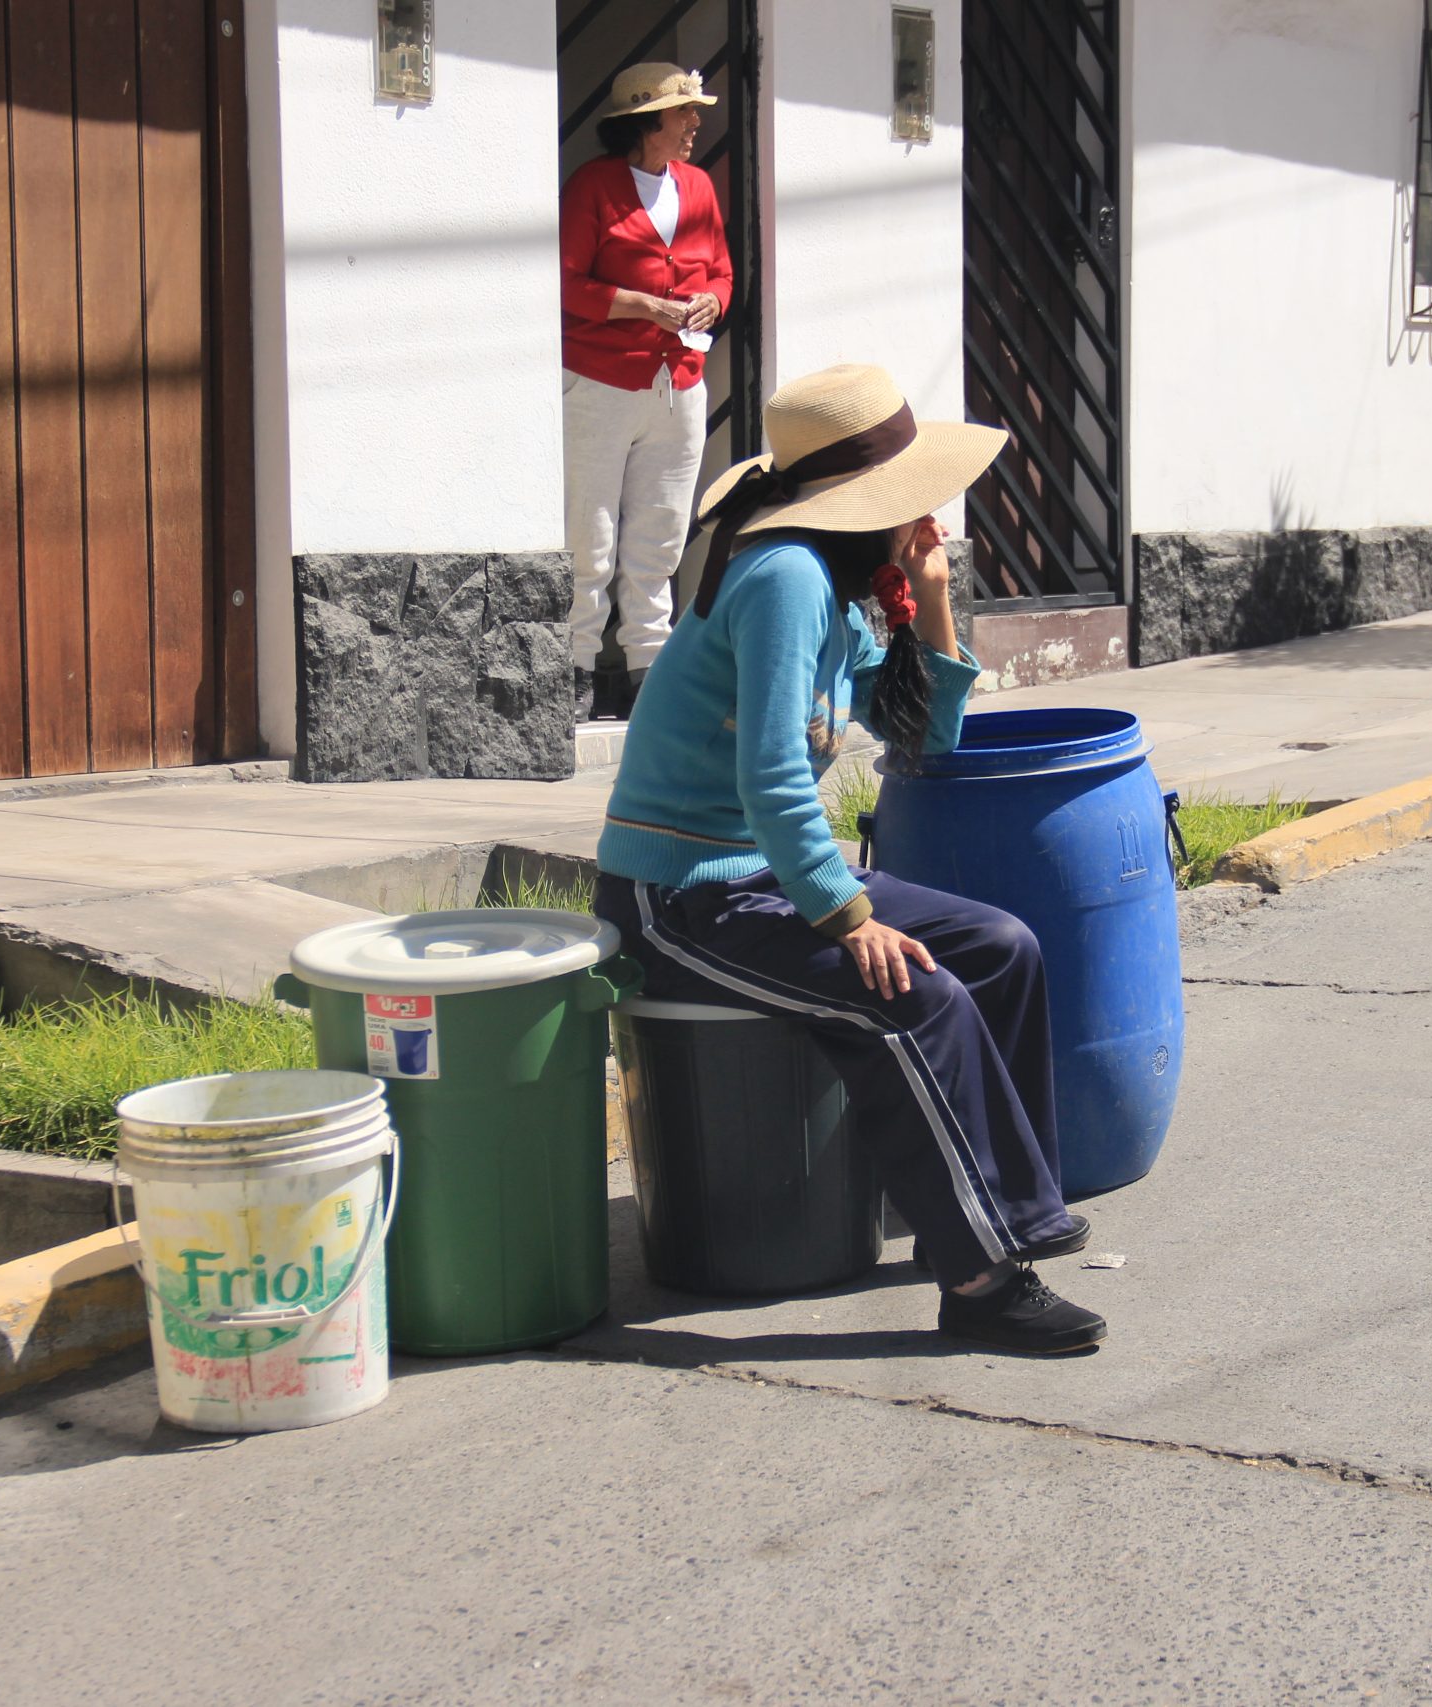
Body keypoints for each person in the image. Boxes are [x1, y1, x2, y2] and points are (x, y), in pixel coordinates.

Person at [593, 364, 1107, 1355]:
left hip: (764, 873)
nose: (929, 511)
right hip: (680, 895)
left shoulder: (837, 585)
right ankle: (980, 1273)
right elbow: (770, 776)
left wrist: (933, 596)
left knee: (1000, 947)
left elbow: (925, 740)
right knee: (917, 995)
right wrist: (848, 915)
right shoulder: (784, 575)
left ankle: (995, 1202)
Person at [559, 62, 733, 723]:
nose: (695, 123)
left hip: (679, 385)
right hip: (601, 380)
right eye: (683, 112)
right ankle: (576, 668)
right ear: (643, 121)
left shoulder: (697, 187)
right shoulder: (593, 188)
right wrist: (641, 305)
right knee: (591, 534)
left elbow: (722, 272)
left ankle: (647, 675)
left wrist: (711, 304)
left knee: (659, 537)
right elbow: (567, 283)